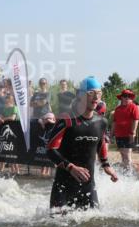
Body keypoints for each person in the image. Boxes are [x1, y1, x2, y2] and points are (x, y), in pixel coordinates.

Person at [44, 76, 118, 211]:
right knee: (57, 223)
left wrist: (106, 165)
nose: (96, 97)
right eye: (91, 93)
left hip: (88, 187)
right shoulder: (67, 120)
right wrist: (71, 167)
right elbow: (50, 149)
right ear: (80, 95)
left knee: (94, 222)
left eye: (99, 93)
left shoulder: (101, 122)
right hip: (63, 187)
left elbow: (100, 143)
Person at [111, 89, 139, 170]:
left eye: (129, 96)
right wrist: (111, 134)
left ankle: (130, 173)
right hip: (119, 134)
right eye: (125, 96)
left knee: (127, 155)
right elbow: (114, 122)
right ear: (121, 98)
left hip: (128, 134)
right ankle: (126, 172)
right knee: (123, 155)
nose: (127, 98)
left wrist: (133, 133)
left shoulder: (133, 107)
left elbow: (136, 120)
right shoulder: (117, 109)